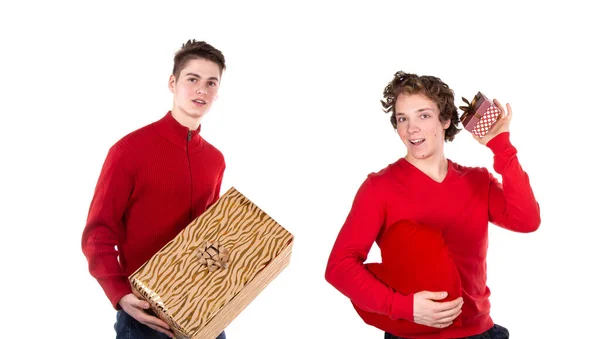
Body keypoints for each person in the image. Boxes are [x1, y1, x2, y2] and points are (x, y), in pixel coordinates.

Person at [324, 71, 541, 339]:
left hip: (480, 333)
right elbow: (340, 266)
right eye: (403, 118)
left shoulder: (477, 180)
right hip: (411, 335)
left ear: (445, 121)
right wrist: (403, 307)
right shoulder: (379, 188)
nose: (411, 128)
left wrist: (501, 147)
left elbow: (527, 220)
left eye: (423, 115)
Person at [82, 39, 228, 339]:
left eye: (211, 82)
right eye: (193, 79)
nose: (202, 89)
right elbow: (98, 233)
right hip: (144, 316)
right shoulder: (128, 151)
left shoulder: (215, 160)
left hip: (204, 311)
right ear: (172, 83)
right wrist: (120, 294)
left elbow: (210, 233)